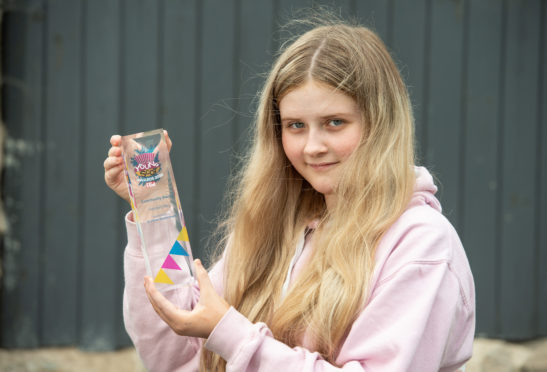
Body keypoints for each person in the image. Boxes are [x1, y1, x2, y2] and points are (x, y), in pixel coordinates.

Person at [104, 19, 475, 372]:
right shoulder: (276, 229)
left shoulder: (422, 245)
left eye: (335, 123)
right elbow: (176, 354)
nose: (313, 146)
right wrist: (156, 211)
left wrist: (233, 336)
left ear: (382, 123)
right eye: (296, 126)